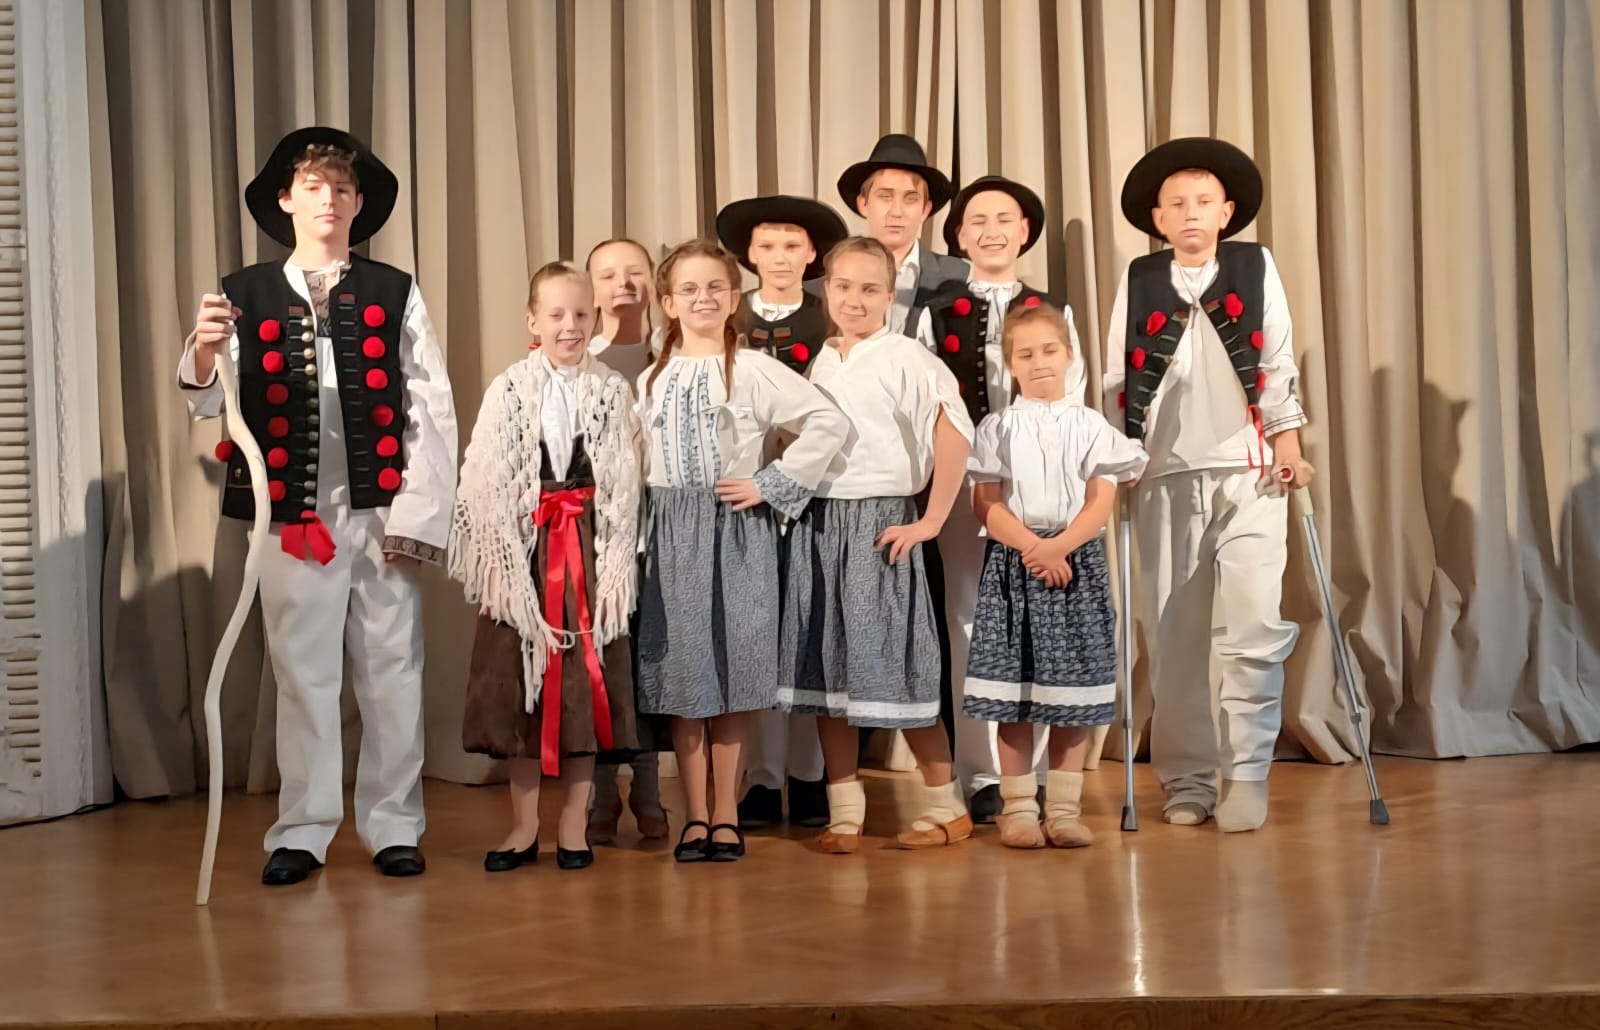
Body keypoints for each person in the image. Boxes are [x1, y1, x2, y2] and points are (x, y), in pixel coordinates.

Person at [179, 127, 457, 885]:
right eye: (313, 187)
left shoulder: (394, 289)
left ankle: (393, 824)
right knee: (302, 674)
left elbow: (431, 406)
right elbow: (210, 403)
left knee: (392, 668)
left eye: (341, 188)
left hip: (380, 507)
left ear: (358, 204)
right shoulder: (244, 293)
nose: (328, 199)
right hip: (290, 512)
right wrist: (202, 350)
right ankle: (302, 830)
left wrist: (417, 519)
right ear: (286, 200)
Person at [1104, 137, 1313, 832]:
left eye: (1203, 202)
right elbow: (1116, 378)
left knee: (1253, 626)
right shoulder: (1140, 278)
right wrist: (1119, 457)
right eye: (1176, 204)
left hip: (1250, 474)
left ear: (1225, 212)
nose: (1190, 213)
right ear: (1157, 219)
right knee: (1173, 636)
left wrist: (1288, 443)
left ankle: (1246, 773)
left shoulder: (1255, 267)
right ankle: (1188, 779)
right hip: (1165, 475)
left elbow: (1276, 360)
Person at [635, 239, 849, 863]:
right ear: (668, 302)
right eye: (688, 289)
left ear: (733, 298)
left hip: (735, 530)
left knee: (732, 670)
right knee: (685, 676)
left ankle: (726, 813)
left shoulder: (752, 368)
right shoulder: (650, 378)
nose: (702, 299)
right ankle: (693, 814)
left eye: (714, 288)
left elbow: (827, 422)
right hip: (672, 534)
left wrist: (770, 484)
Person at [777, 236, 975, 854]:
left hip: (879, 523)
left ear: (890, 295)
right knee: (827, 669)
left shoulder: (907, 356)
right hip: (819, 523)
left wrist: (931, 519)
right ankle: (846, 810)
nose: (855, 300)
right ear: (826, 290)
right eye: (843, 287)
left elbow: (953, 432)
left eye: (870, 289)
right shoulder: (822, 359)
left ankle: (946, 805)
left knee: (891, 667)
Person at [451, 262, 645, 872]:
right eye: (556, 315)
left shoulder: (611, 390)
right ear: (532, 320)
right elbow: (484, 476)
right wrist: (503, 562)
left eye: (581, 314)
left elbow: (626, 479)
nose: (570, 326)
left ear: (596, 318)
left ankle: (573, 825)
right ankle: (523, 826)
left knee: (584, 686)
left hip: (586, 550)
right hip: (527, 552)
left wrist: (612, 559)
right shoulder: (509, 388)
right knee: (522, 690)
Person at [964, 302, 1148, 848]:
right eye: (1025, 354)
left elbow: (1100, 501)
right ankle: (1019, 807)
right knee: (1015, 698)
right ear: (1009, 365)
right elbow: (986, 502)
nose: (1039, 362)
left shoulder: (1092, 426)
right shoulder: (997, 427)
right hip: (1015, 564)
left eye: (1049, 350)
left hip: (1075, 564)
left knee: (1073, 698)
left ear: (1069, 356)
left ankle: (1064, 809)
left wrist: (1060, 547)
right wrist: (1033, 548)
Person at [915, 174, 1067, 821]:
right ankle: (980, 773)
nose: (992, 231)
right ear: (958, 235)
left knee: (1036, 620)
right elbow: (926, 402)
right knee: (968, 619)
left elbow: (1071, 397)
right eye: (977, 220)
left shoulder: (1051, 307)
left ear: (1025, 231)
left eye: (1004, 219)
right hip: (965, 485)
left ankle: (1033, 773)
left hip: (1038, 488)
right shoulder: (937, 309)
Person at [714, 194, 848, 828]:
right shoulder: (727, 315)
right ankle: (763, 776)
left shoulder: (831, 318)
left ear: (812, 254)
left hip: (814, 493)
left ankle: (810, 773)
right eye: (767, 246)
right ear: (749, 254)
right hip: (744, 500)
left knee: (811, 630)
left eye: (792, 246)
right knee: (758, 635)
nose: (779, 258)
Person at [582, 236, 670, 845]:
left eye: (635, 272)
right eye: (609, 274)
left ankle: (649, 785)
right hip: (594, 531)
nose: (623, 284)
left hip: (664, 527)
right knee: (601, 657)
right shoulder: (577, 355)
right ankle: (601, 790)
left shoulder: (674, 352)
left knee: (650, 655)